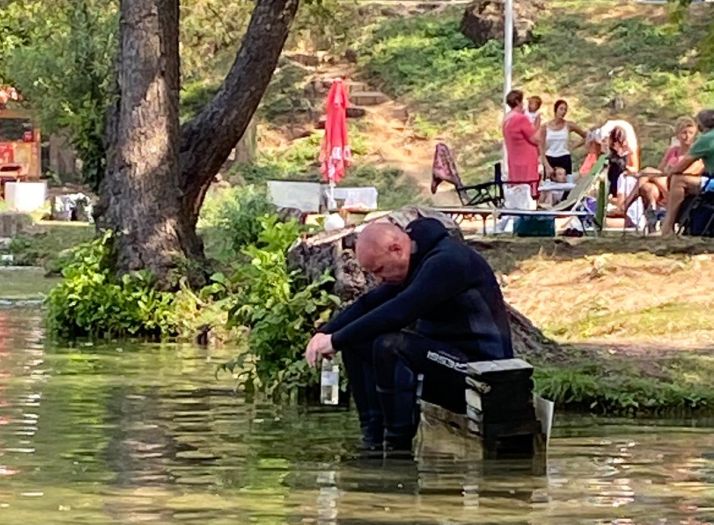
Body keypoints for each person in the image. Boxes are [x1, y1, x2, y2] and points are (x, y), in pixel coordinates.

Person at [304, 218, 513, 452]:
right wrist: (325, 333)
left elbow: (399, 311)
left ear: (397, 249)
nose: (379, 279)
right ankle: (372, 439)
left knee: (391, 346)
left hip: (481, 371)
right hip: (443, 360)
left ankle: (397, 449)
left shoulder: (447, 262)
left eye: (380, 270)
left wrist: (335, 340)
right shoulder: (412, 258)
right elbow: (370, 303)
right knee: (357, 340)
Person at [622, 117, 702, 233]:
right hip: (664, 182)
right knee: (648, 188)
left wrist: (671, 170)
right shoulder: (673, 150)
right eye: (684, 133)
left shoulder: (695, 152)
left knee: (648, 171)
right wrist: (665, 172)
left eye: (690, 133)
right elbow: (660, 169)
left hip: (678, 186)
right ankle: (652, 219)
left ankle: (626, 204)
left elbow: (690, 172)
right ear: (678, 134)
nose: (687, 136)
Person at [663, 109, 714, 234]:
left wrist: (670, 173)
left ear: (700, 126)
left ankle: (668, 226)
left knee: (678, 180)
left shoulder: (706, 140)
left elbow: (680, 168)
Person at [503, 90, 541, 197]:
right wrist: (537, 123)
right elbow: (534, 138)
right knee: (528, 193)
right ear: (518, 102)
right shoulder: (521, 119)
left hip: (514, 161)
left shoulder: (506, 119)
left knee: (517, 192)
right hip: (526, 162)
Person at [539, 99, 587, 178]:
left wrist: (574, 146)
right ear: (555, 110)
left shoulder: (569, 125)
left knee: (565, 185)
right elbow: (541, 148)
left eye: (565, 110)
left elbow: (585, 135)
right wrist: (547, 166)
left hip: (564, 157)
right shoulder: (545, 127)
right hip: (550, 158)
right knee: (550, 186)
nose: (563, 112)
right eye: (561, 109)